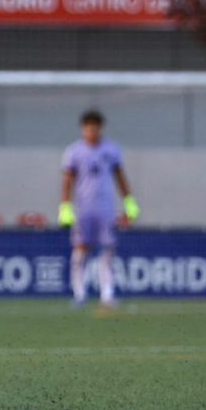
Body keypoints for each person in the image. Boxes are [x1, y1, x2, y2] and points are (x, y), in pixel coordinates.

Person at [58, 109, 140, 308]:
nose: (92, 132)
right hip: (84, 209)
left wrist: (129, 202)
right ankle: (79, 293)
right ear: (83, 129)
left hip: (106, 208)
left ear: (101, 129)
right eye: (88, 128)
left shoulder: (111, 150)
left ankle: (108, 294)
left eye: (95, 128)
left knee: (108, 250)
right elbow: (68, 181)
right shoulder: (74, 152)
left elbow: (119, 176)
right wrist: (65, 206)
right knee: (80, 251)